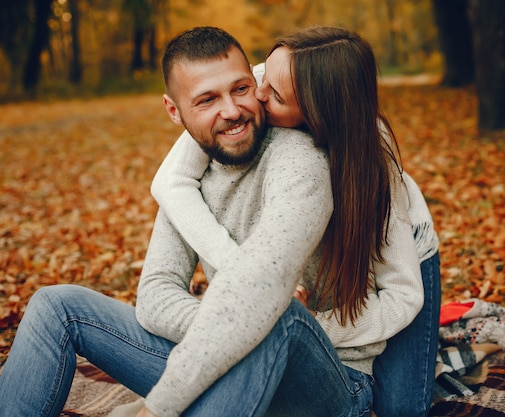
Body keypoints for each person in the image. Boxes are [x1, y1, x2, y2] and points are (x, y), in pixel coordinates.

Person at [0, 26, 435, 417]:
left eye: (243, 88)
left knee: (277, 316)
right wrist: (229, 324)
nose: (234, 109)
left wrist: (245, 322)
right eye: (207, 100)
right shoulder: (190, 175)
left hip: (327, 380)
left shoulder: (308, 162)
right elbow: (154, 295)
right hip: (228, 358)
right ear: (176, 113)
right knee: (57, 306)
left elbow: (391, 294)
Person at [151, 26, 441, 417]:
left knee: (401, 409)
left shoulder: (375, 163)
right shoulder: (252, 90)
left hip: (407, 255)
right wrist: (243, 284)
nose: (255, 97)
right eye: (260, 80)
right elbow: (170, 182)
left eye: (274, 94)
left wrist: (314, 324)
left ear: (313, 112)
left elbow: (403, 296)